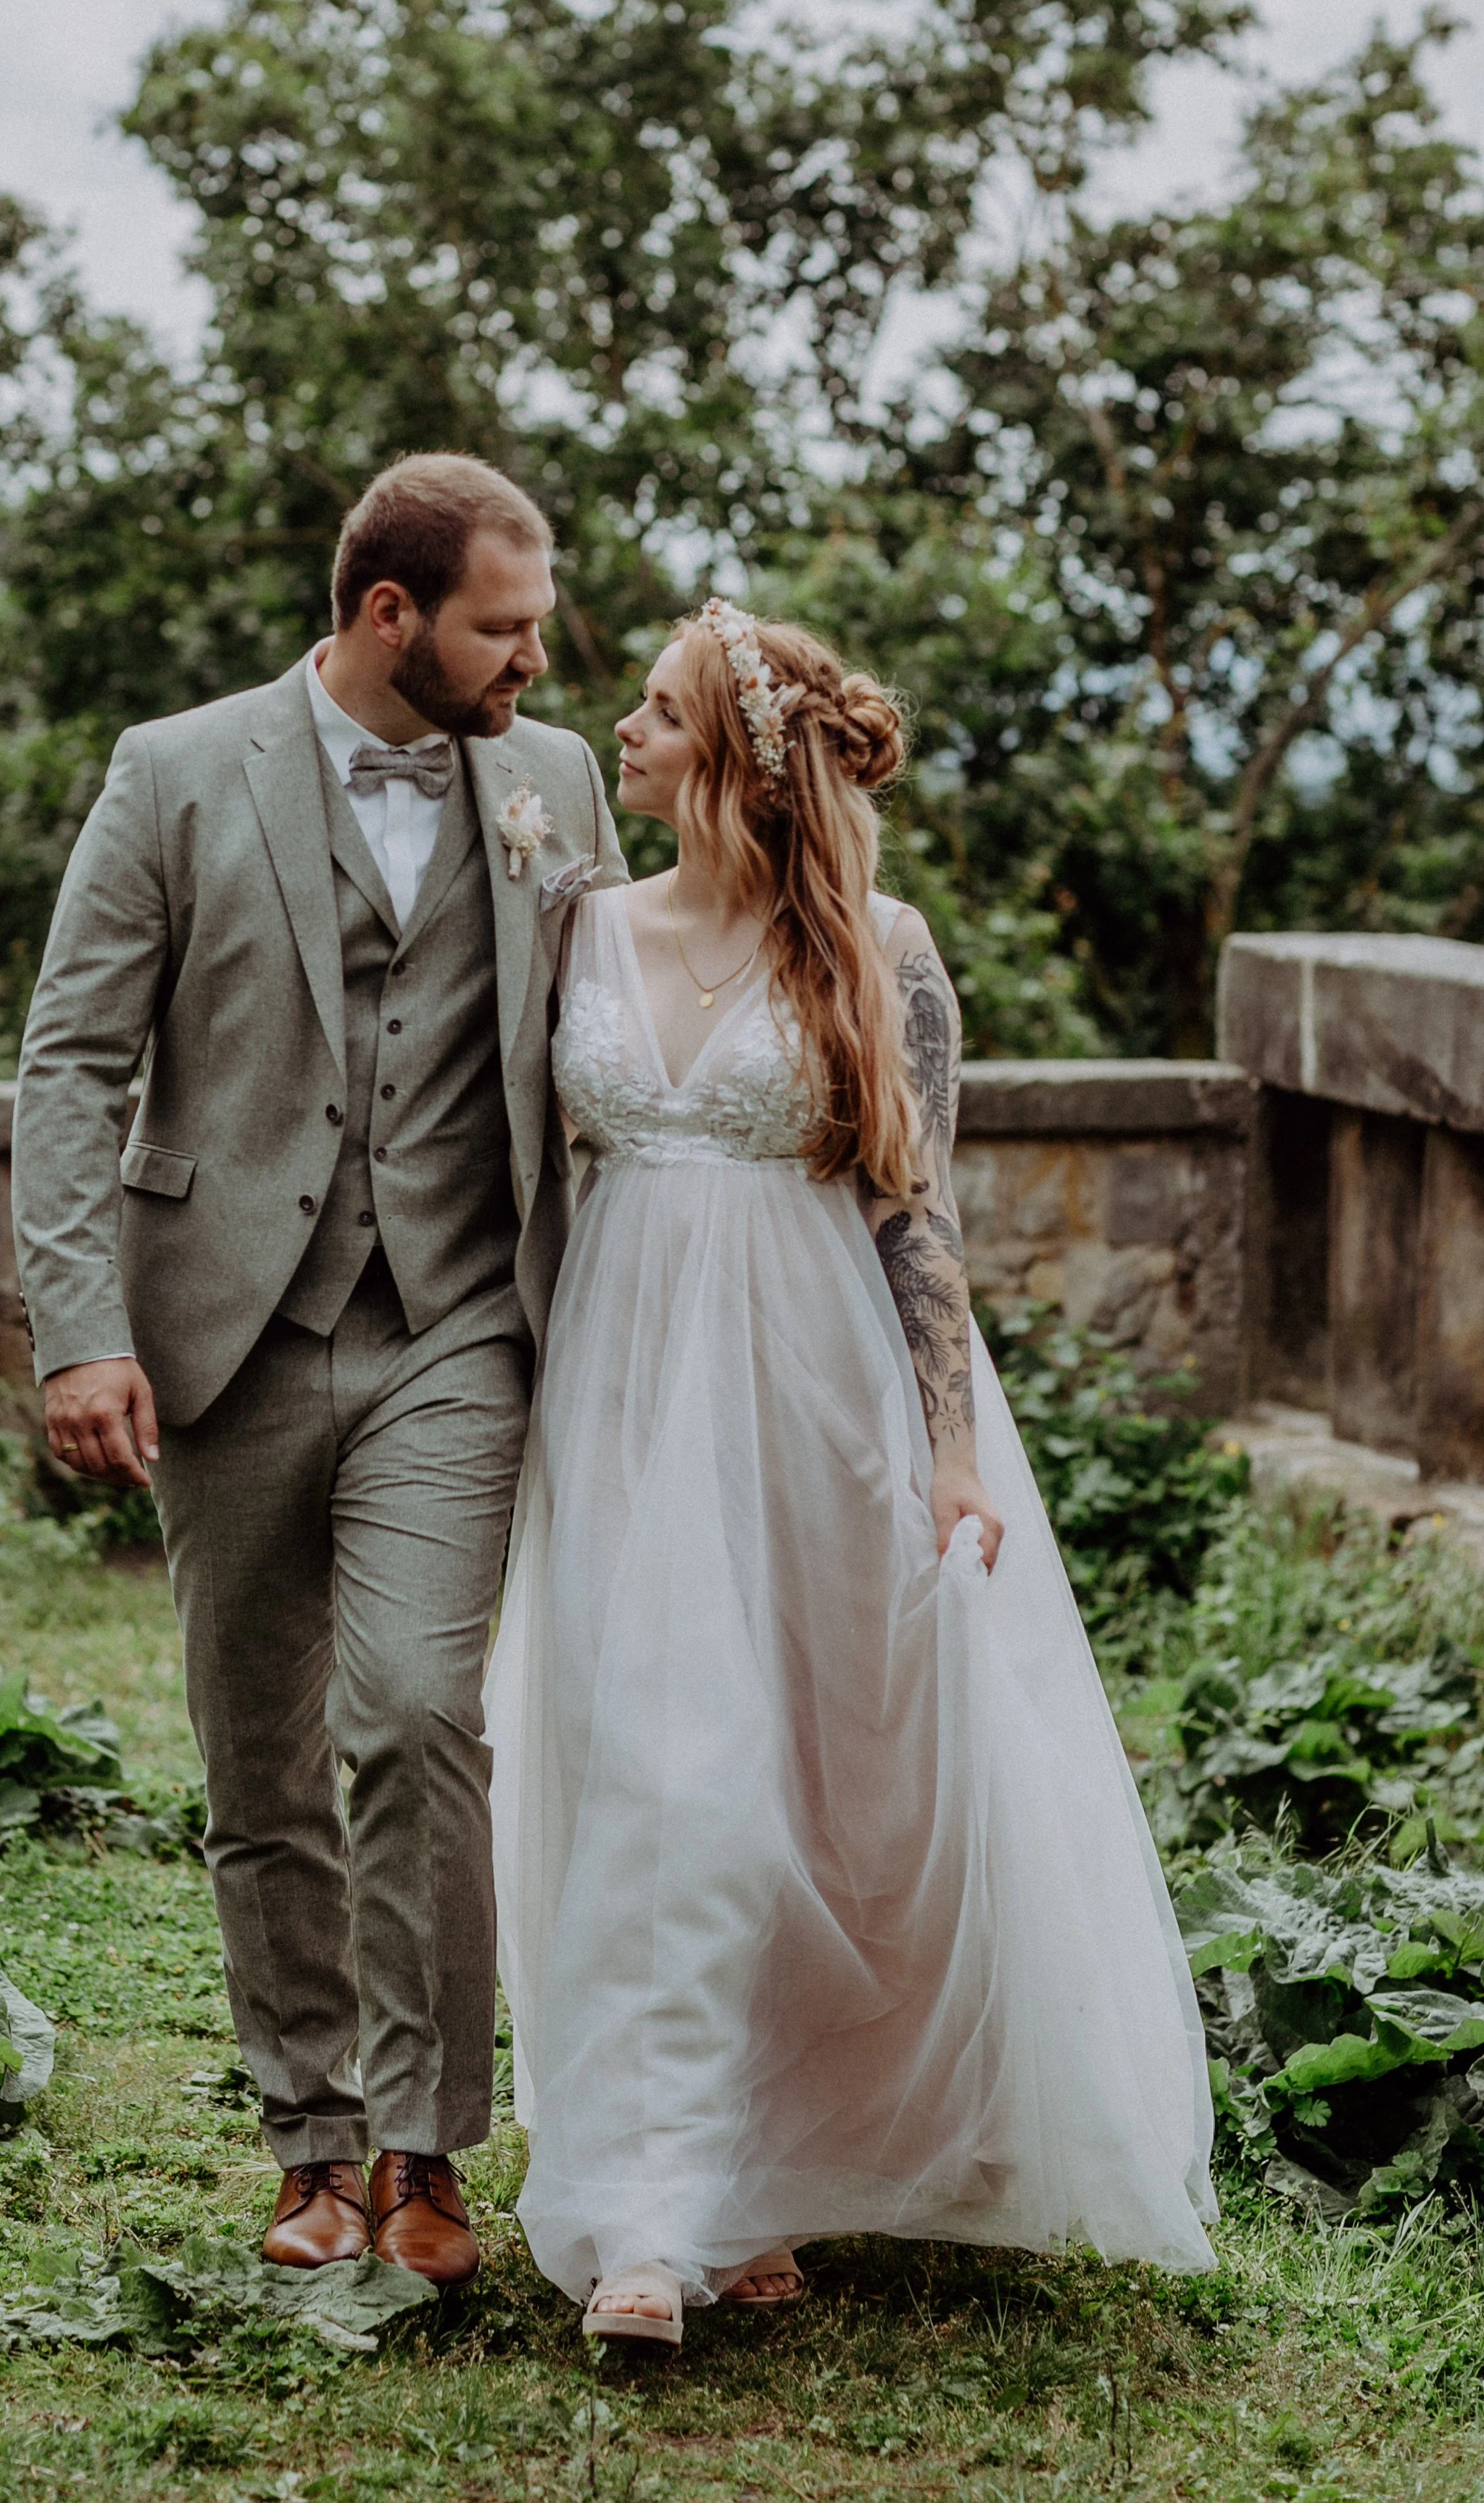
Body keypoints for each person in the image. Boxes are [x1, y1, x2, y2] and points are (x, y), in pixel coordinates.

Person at [484, 600, 1217, 2349]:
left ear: (733, 759)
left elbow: (916, 1210)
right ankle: (649, 2215)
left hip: (817, 1403)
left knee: (825, 1791)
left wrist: (952, 1455)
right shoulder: (576, 928)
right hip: (625, 1401)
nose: (623, 736)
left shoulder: (873, 950)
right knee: (662, 1774)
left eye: (656, 714)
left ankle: (766, 2172)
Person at [11, 454, 628, 2288]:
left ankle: (430, 2147)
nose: (530, 661)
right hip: (224, 1334)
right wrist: (79, 1327)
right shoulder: (175, 771)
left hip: (457, 1326)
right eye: (500, 629)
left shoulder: (554, 781)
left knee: (416, 1715)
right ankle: (309, 2136)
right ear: (389, 617)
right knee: (259, 1752)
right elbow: (68, 1064)